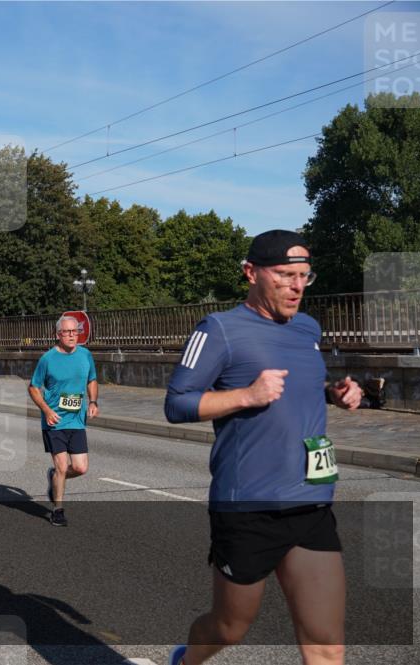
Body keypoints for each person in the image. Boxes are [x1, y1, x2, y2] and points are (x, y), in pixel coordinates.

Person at [164, 230, 362, 665]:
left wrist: (337, 392)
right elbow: (176, 403)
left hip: (310, 499)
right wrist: (245, 396)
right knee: (229, 627)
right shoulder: (219, 329)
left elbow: (302, 386)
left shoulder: (308, 328)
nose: (297, 287)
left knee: (326, 643)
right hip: (248, 506)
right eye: (286, 275)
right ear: (251, 273)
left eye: (304, 276)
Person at [28, 316, 99, 527]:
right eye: (67, 332)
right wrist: (47, 410)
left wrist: (93, 401)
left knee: (80, 468)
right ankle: (57, 510)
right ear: (58, 335)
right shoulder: (48, 359)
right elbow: (33, 387)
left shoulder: (85, 355)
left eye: (75, 332)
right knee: (61, 466)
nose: (71, 336)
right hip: (55, 421)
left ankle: (54, 478)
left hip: (77, 420)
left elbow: (92, 379)